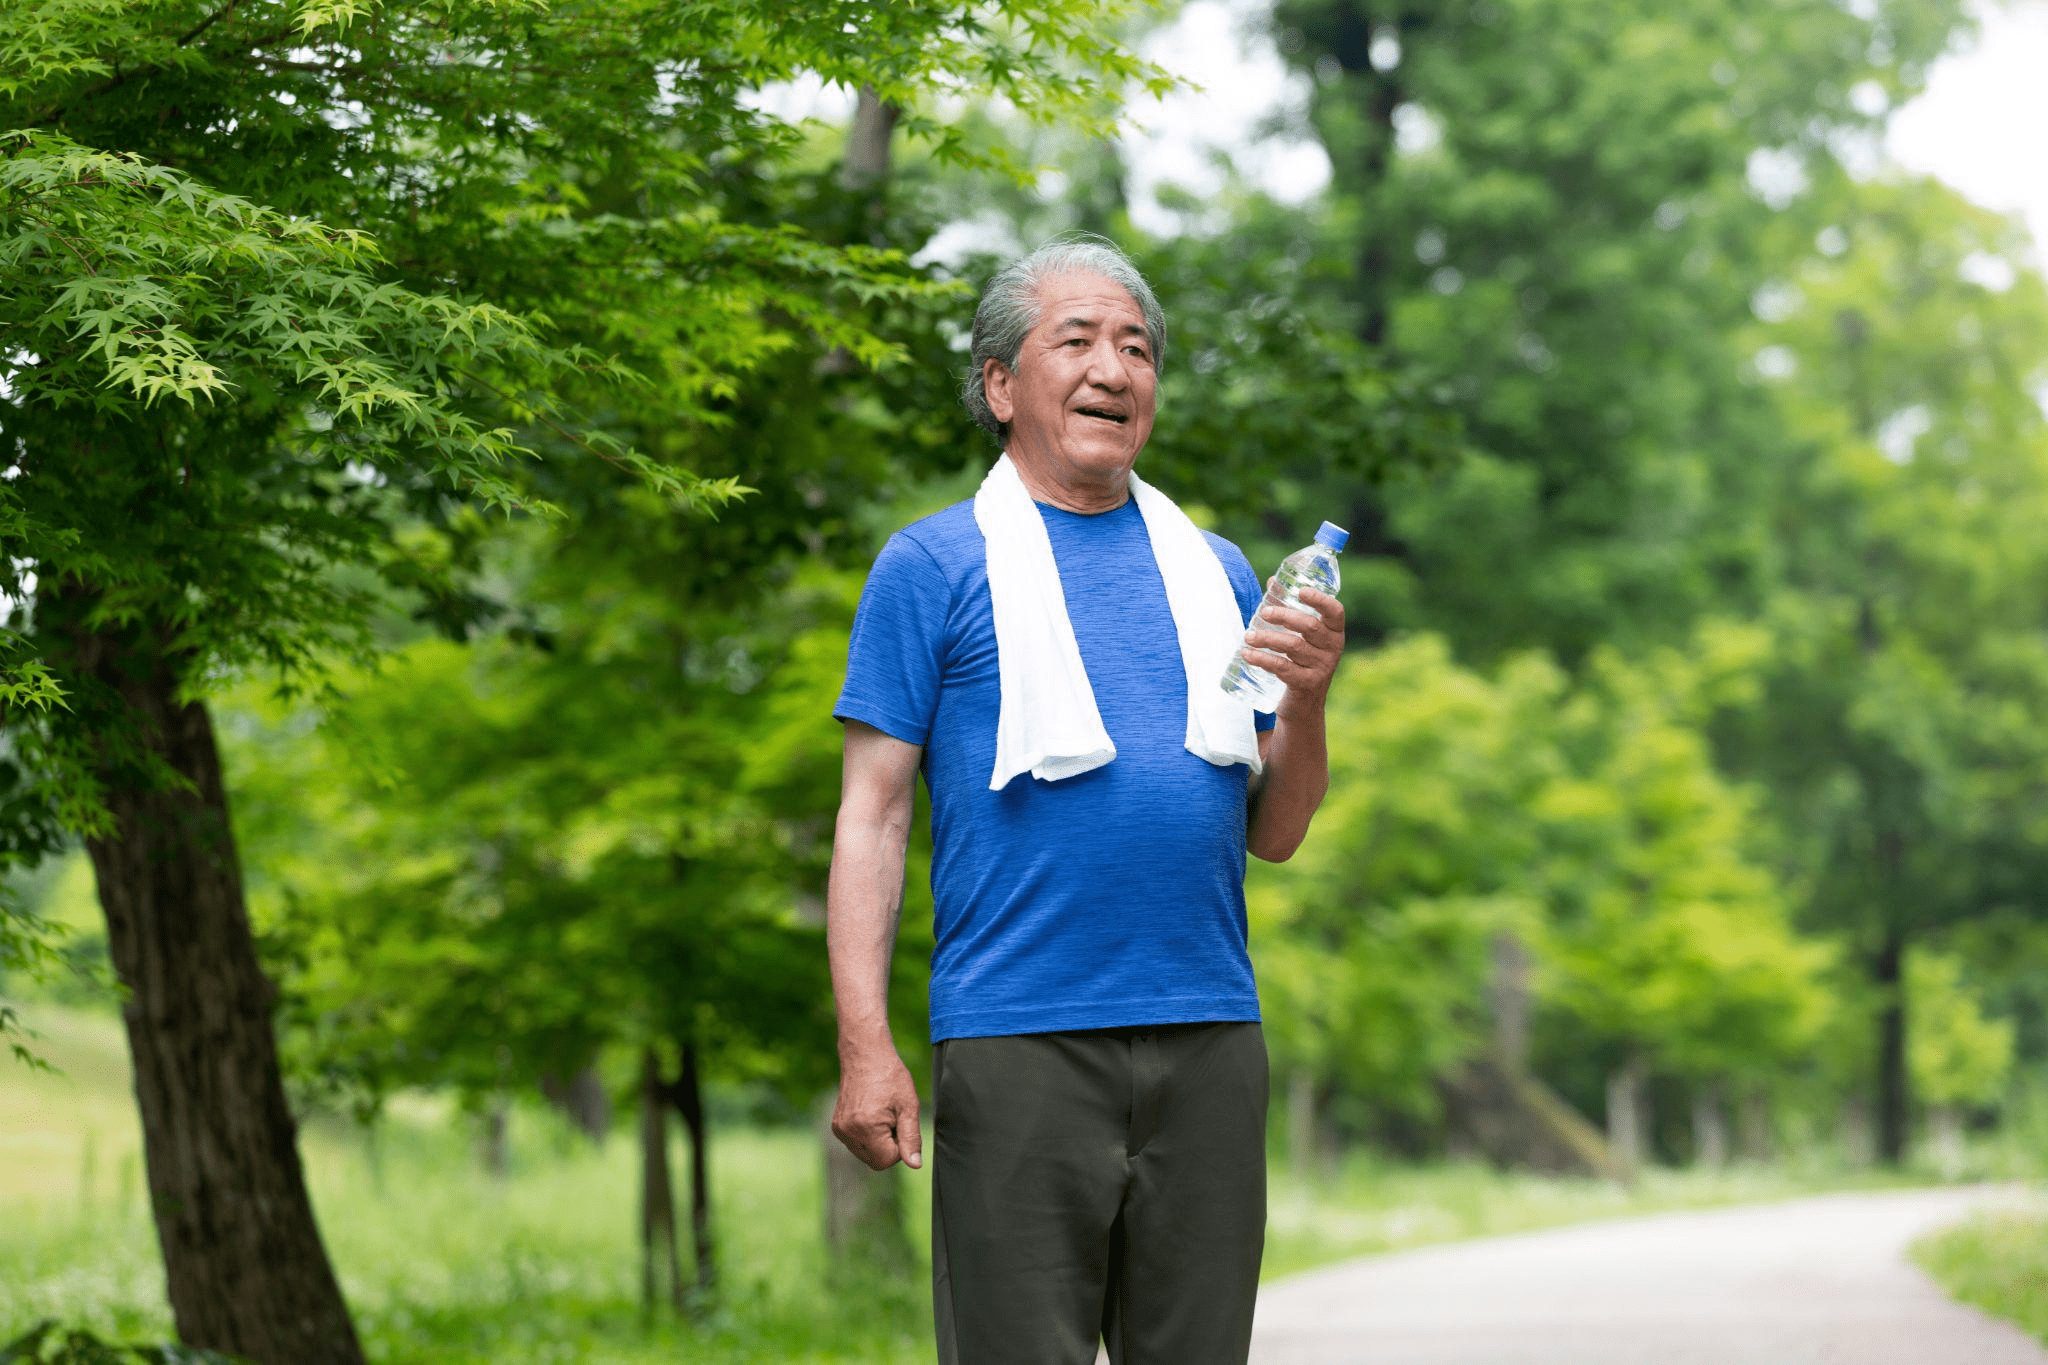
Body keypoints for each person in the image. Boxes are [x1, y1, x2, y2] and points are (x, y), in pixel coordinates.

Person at [826, 233, 1343, 1364]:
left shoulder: (1215, 570)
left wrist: (1303, 702)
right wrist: (865, 1045)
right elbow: (871, 813)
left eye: (1137, 347)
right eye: (1078, 341)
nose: (1115, 368)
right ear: (1001, 386)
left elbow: (1279, 830)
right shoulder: (931, 566)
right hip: (1017, 1038)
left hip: (1208, 1032)